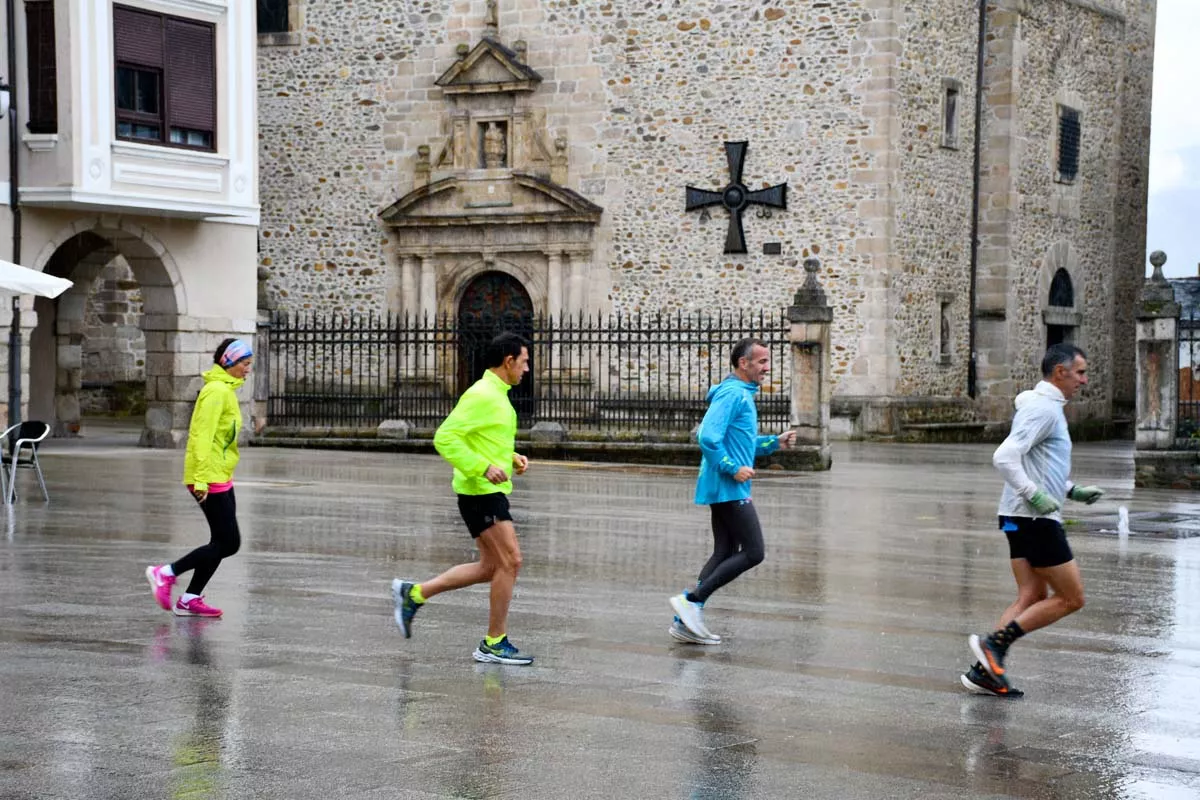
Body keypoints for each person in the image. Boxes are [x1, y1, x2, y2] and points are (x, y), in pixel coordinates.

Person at [962, 343, 1105, 697]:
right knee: (1072, 598)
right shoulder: (1043, 409)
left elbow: (1037, 465)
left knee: (1032, 593)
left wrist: (1071, 491)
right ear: (1061, 372)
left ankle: (985, 671)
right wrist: (1035, 495)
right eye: (1081, 372)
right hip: (1033, 519)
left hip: (1016, 517)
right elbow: (1005, 457)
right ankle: (994, 645)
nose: (1084, 380)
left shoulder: (1043, 407)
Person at [392, 332, 534, 665]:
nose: (527, 369)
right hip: (480, 494)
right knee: (511, 562)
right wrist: (483, 467)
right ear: (509, 361)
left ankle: (414, 594)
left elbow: (480, 435)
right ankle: (493, 642)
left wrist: (509, 456)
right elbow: (445, 437)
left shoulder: (496, 393)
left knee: (491, 567)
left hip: (486, 492)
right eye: (524, 362)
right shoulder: (483, 393)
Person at [669, 338, 796, 644]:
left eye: (767, 361)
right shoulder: (732, 394)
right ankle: (692, 601)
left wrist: (773, 443)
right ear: (744, 363)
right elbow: (708, 438)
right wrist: (732, 468)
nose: (767, 367)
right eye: (762, 362)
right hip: (728, 484)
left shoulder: (741, 395)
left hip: (726, 483)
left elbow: (740, 442)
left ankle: (685, 619)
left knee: (725, 551)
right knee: (754, 552)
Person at [145, 338, 254, 618]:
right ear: (229, 362)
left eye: (249, 363)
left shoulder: (225, 390)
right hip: (208, 476)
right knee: (228, 543)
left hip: (219, 474)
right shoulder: (216, 391)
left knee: (220, 541)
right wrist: (202, 480)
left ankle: (189, 599)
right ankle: (165, 573)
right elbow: (201, 437)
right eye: (244, 363)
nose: (248, 369)